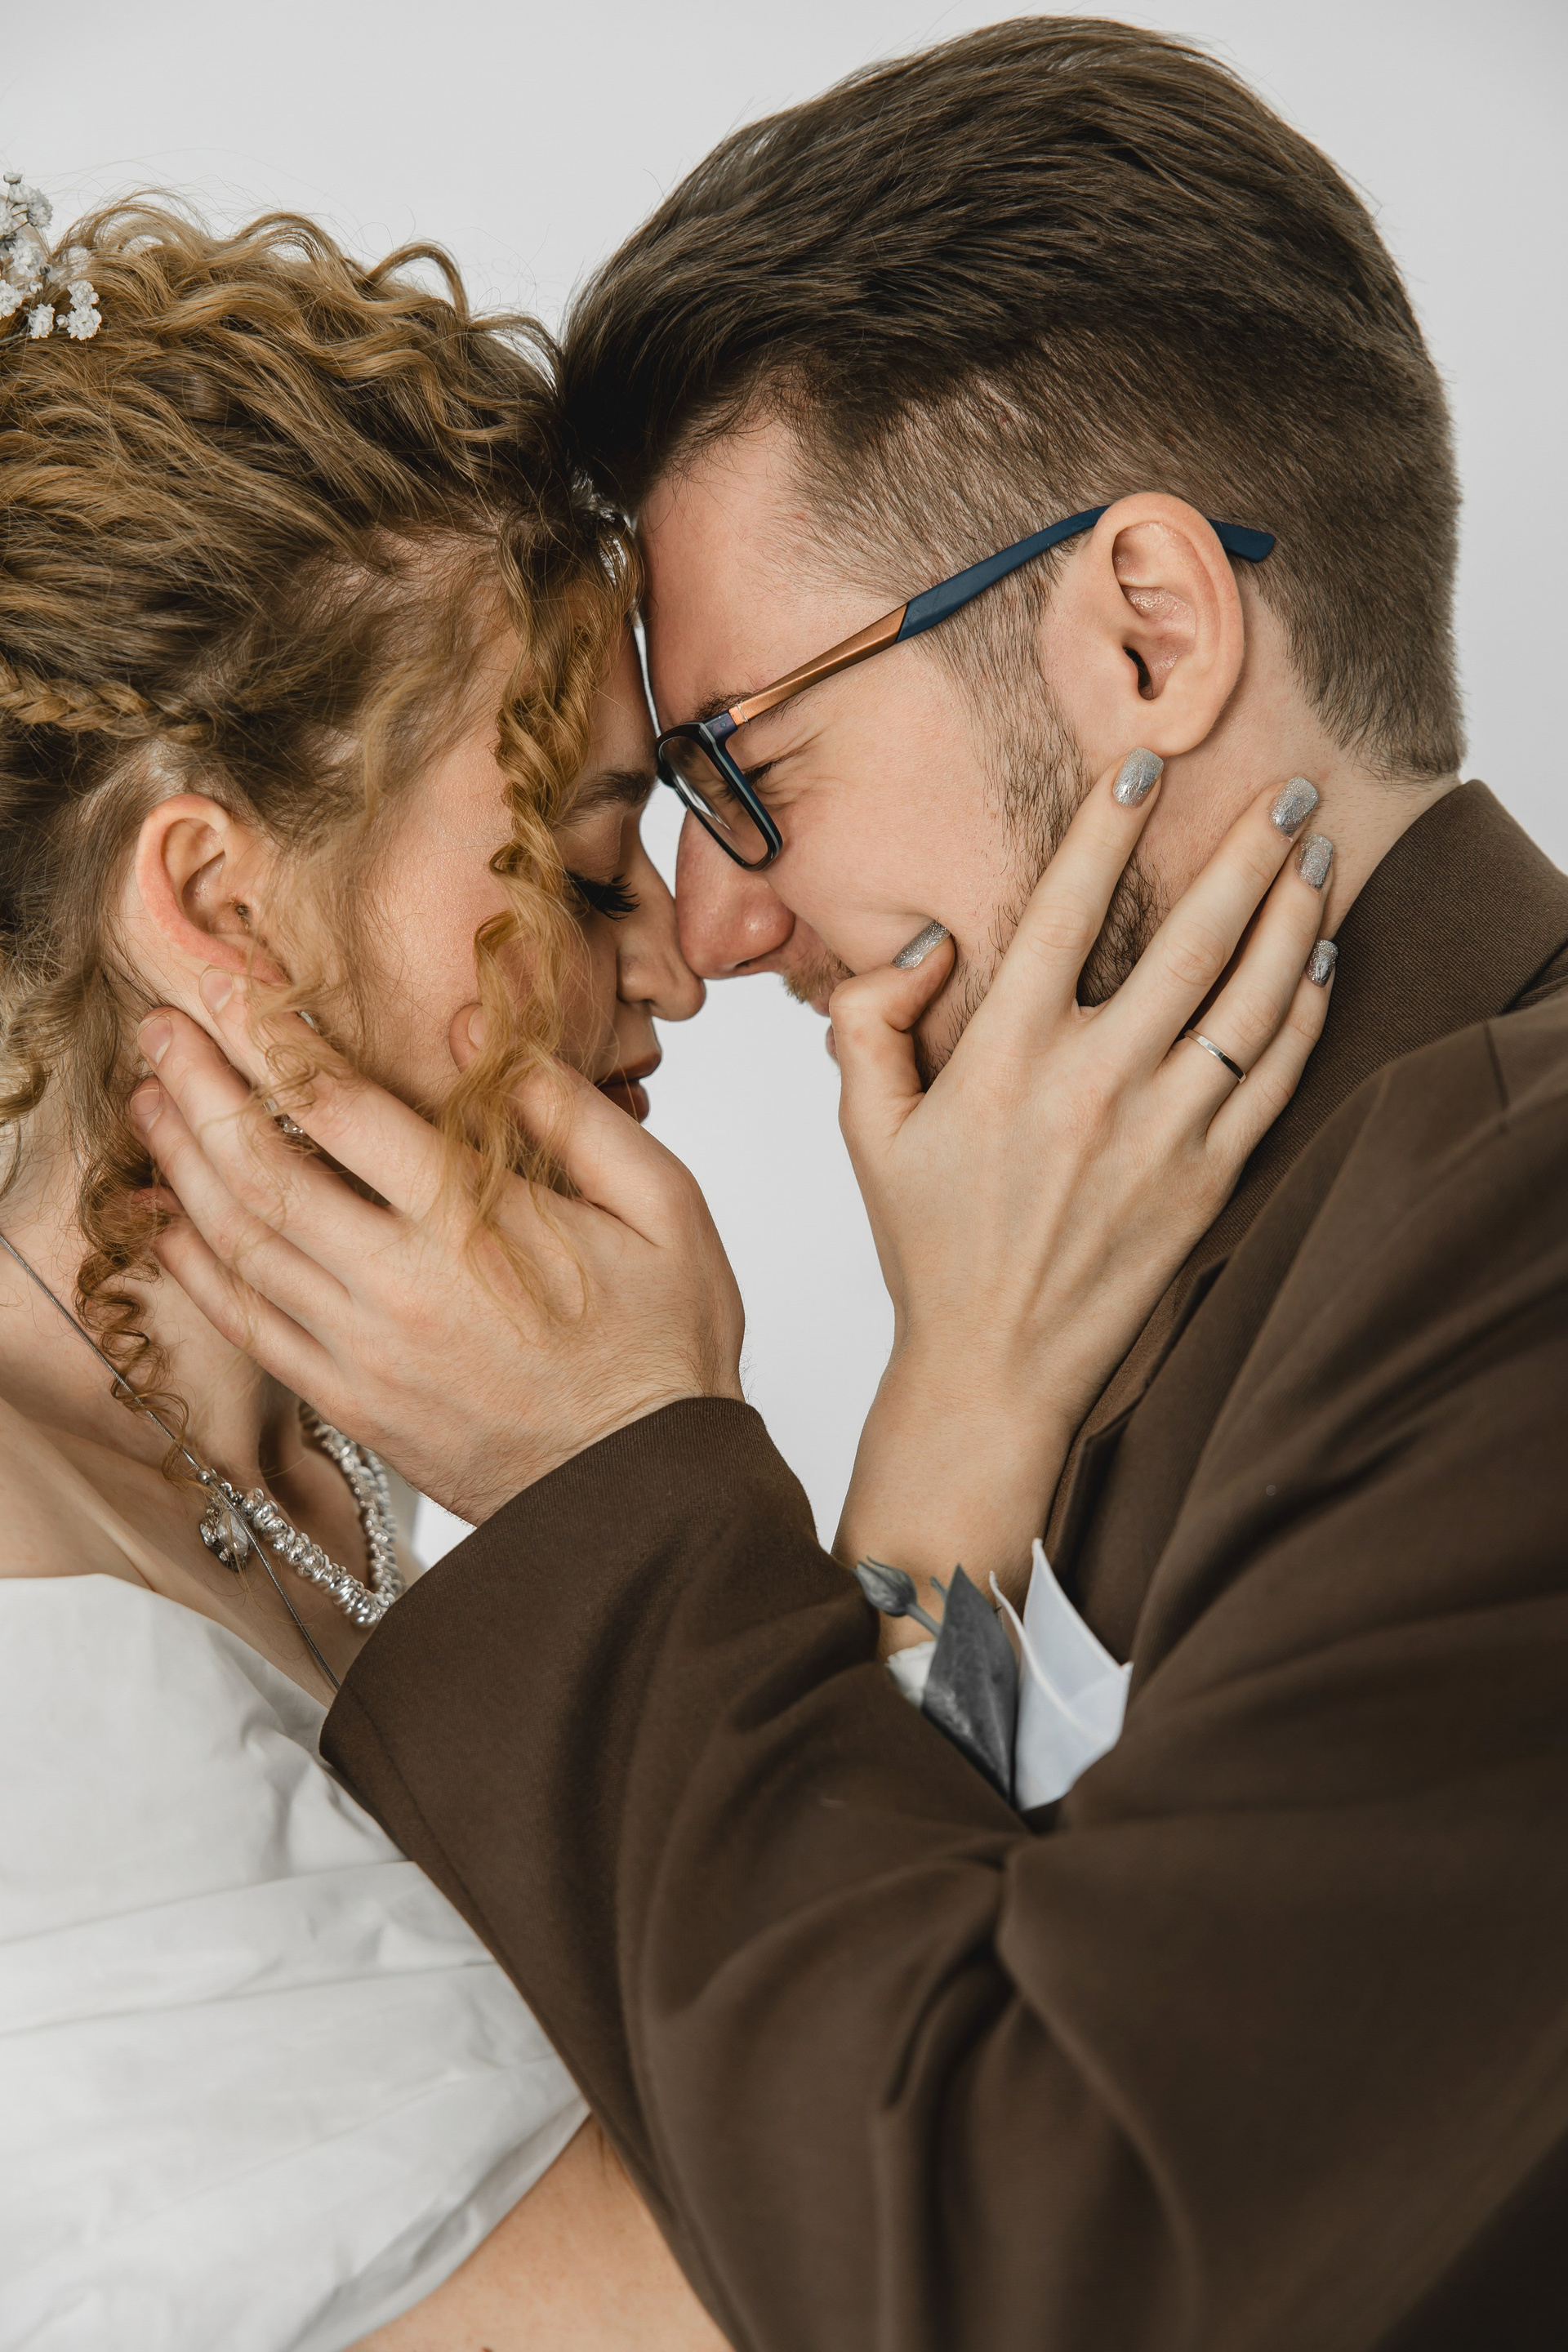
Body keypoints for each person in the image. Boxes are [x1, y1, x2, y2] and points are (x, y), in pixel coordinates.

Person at [137, 19, 1568, 2352]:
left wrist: (609, 1477)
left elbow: (1023, 2262)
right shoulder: (1183, 1266)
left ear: (1147, 633)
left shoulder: (1531, 1234)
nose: (707, 924)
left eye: (739, 764)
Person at [0, 191, 730, 2352]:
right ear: (218, 907)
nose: (681, 960)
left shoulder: (312, 1453)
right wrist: (913, 1428)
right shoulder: (34, 1655)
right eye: (587, 869)